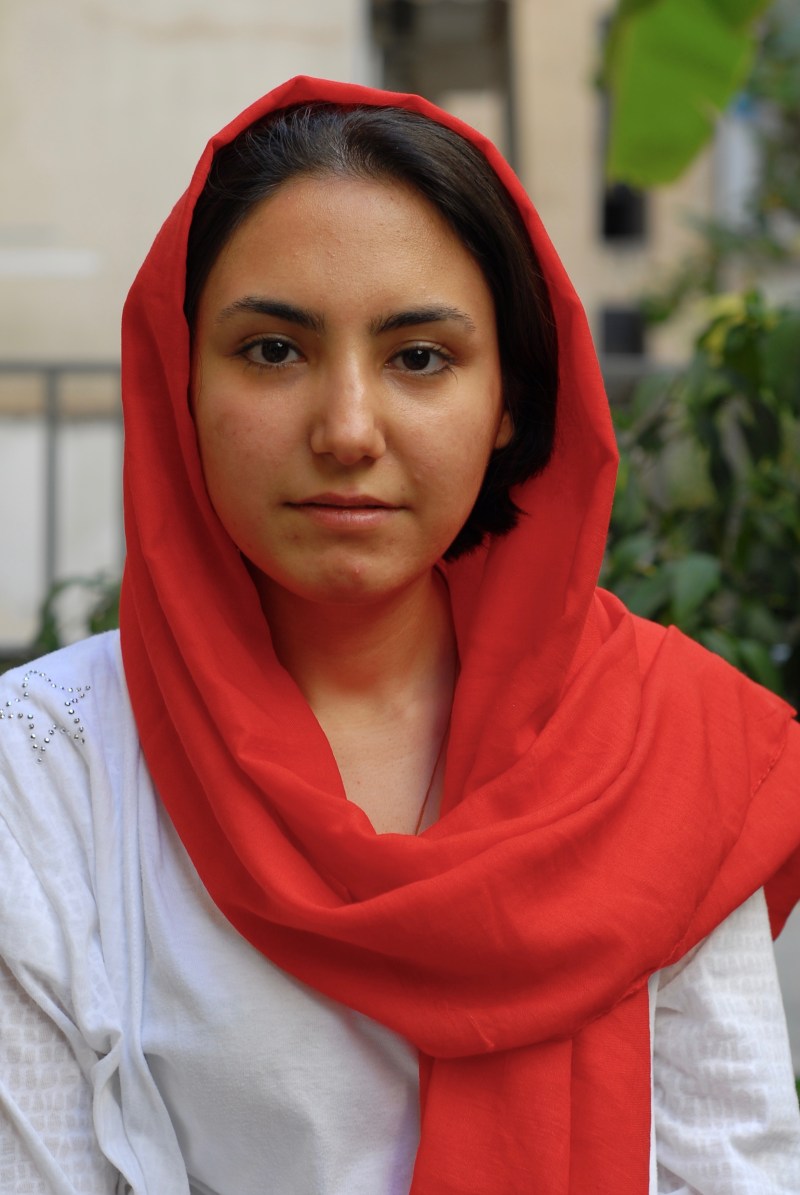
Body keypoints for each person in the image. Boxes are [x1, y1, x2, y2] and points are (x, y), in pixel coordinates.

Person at [0, 75, 799, 1195]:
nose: (346, 430)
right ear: (179, 380)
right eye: (272, 350)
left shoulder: (663, 746)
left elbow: (734, 1166)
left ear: (511, 399)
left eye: (419, 357)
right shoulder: (45, 770)